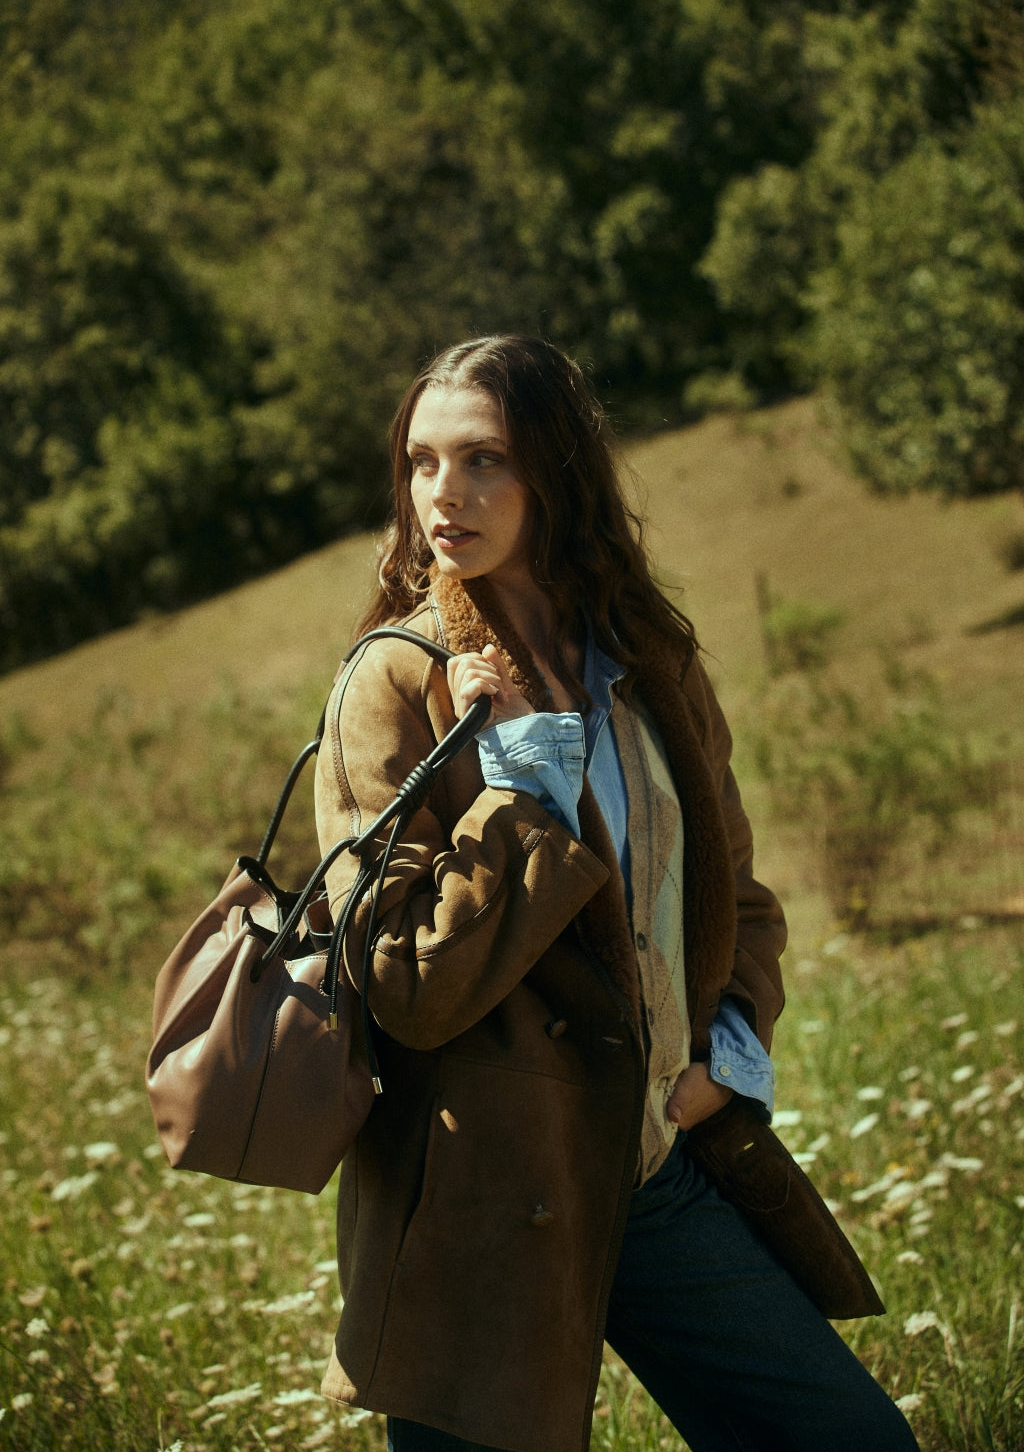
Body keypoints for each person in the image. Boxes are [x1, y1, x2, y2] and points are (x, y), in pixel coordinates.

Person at [313, 335, 919, 1452]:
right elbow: (400, 983)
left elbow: (737, 897)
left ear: (557, 469)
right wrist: (516, 786)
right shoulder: (394, 681)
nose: (446, 494)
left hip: (651, 1168)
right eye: (422, 461)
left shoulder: (646, 660)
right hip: (479, 1201)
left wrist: (724, 1054)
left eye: (485, 458)